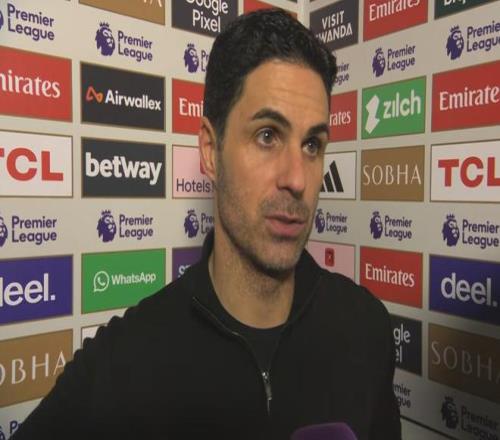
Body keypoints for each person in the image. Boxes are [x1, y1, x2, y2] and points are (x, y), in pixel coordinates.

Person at [12, 9, 401, 440]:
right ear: (210, 151)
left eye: (312, 144)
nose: (297, 178)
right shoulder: (127, 362)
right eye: (268, 135)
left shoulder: (365, 328)